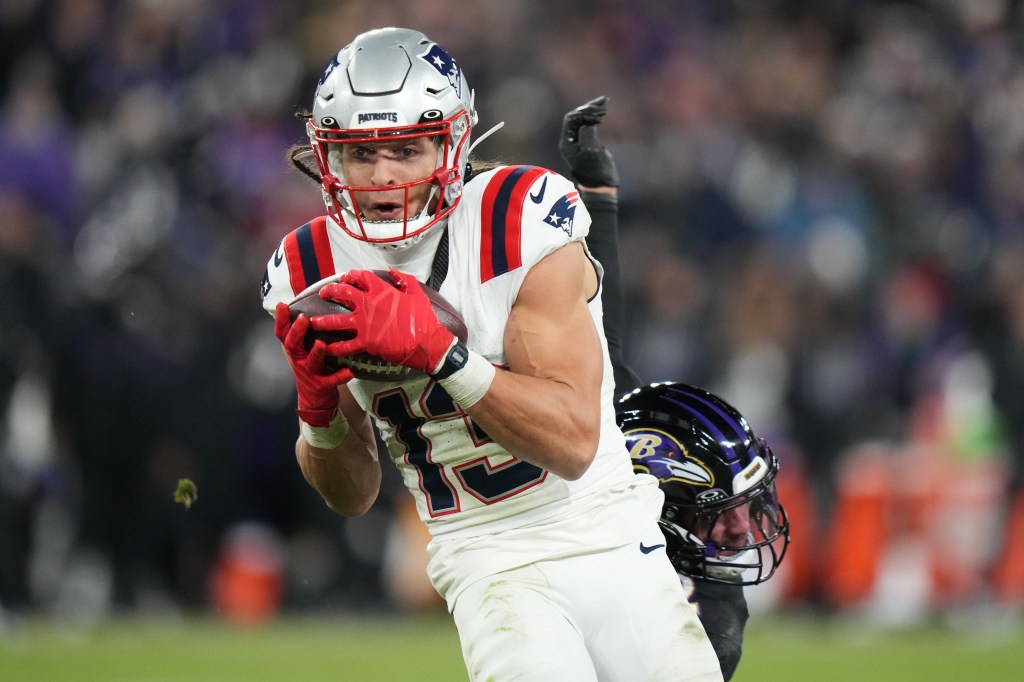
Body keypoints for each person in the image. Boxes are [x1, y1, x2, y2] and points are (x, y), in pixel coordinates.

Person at [260, 27, 723, 682]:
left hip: (607, 532)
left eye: (406, 149)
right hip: (485, 559)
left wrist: (443, 357)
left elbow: (572, 443)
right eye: (361, 153)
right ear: (325, 157)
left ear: (452, 145)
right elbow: (352, 494)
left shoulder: (519, 219)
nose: (383, 176)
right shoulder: (306, 270)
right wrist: (318, 415)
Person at [559, 97, 790, 680]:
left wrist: (599, 204)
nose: (742, 532)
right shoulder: (576, 459)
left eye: (743, 507)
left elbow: (601, 328)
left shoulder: (710, 604)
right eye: (723, 512)